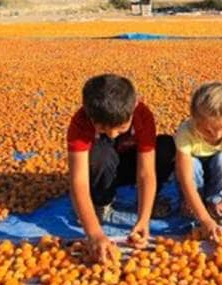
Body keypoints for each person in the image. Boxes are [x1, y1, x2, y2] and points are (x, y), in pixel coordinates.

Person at [66, 74, 174, 262]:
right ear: (88, 114)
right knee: (101, 154)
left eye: (121, 129)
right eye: (103, 130)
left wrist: (143, 218)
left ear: (133, 109)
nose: (113, 134)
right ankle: (101, 203)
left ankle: (149, 201)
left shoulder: (142, 115)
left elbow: (146, 172)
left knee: (167, 147)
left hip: (128, 165)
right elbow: (79, 181)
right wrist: (94, 233)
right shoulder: (81, 121)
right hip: (102, 165)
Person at [174, 82, 222, 242]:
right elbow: (186, 180)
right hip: (194, 175)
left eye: (221, 129)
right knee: (193, 165)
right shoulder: (186, 132)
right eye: (207, 130)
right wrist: (205, 220)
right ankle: (195, 202)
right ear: (194, 120)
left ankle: (214, 199)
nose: (215, 135)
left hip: (215, 171)